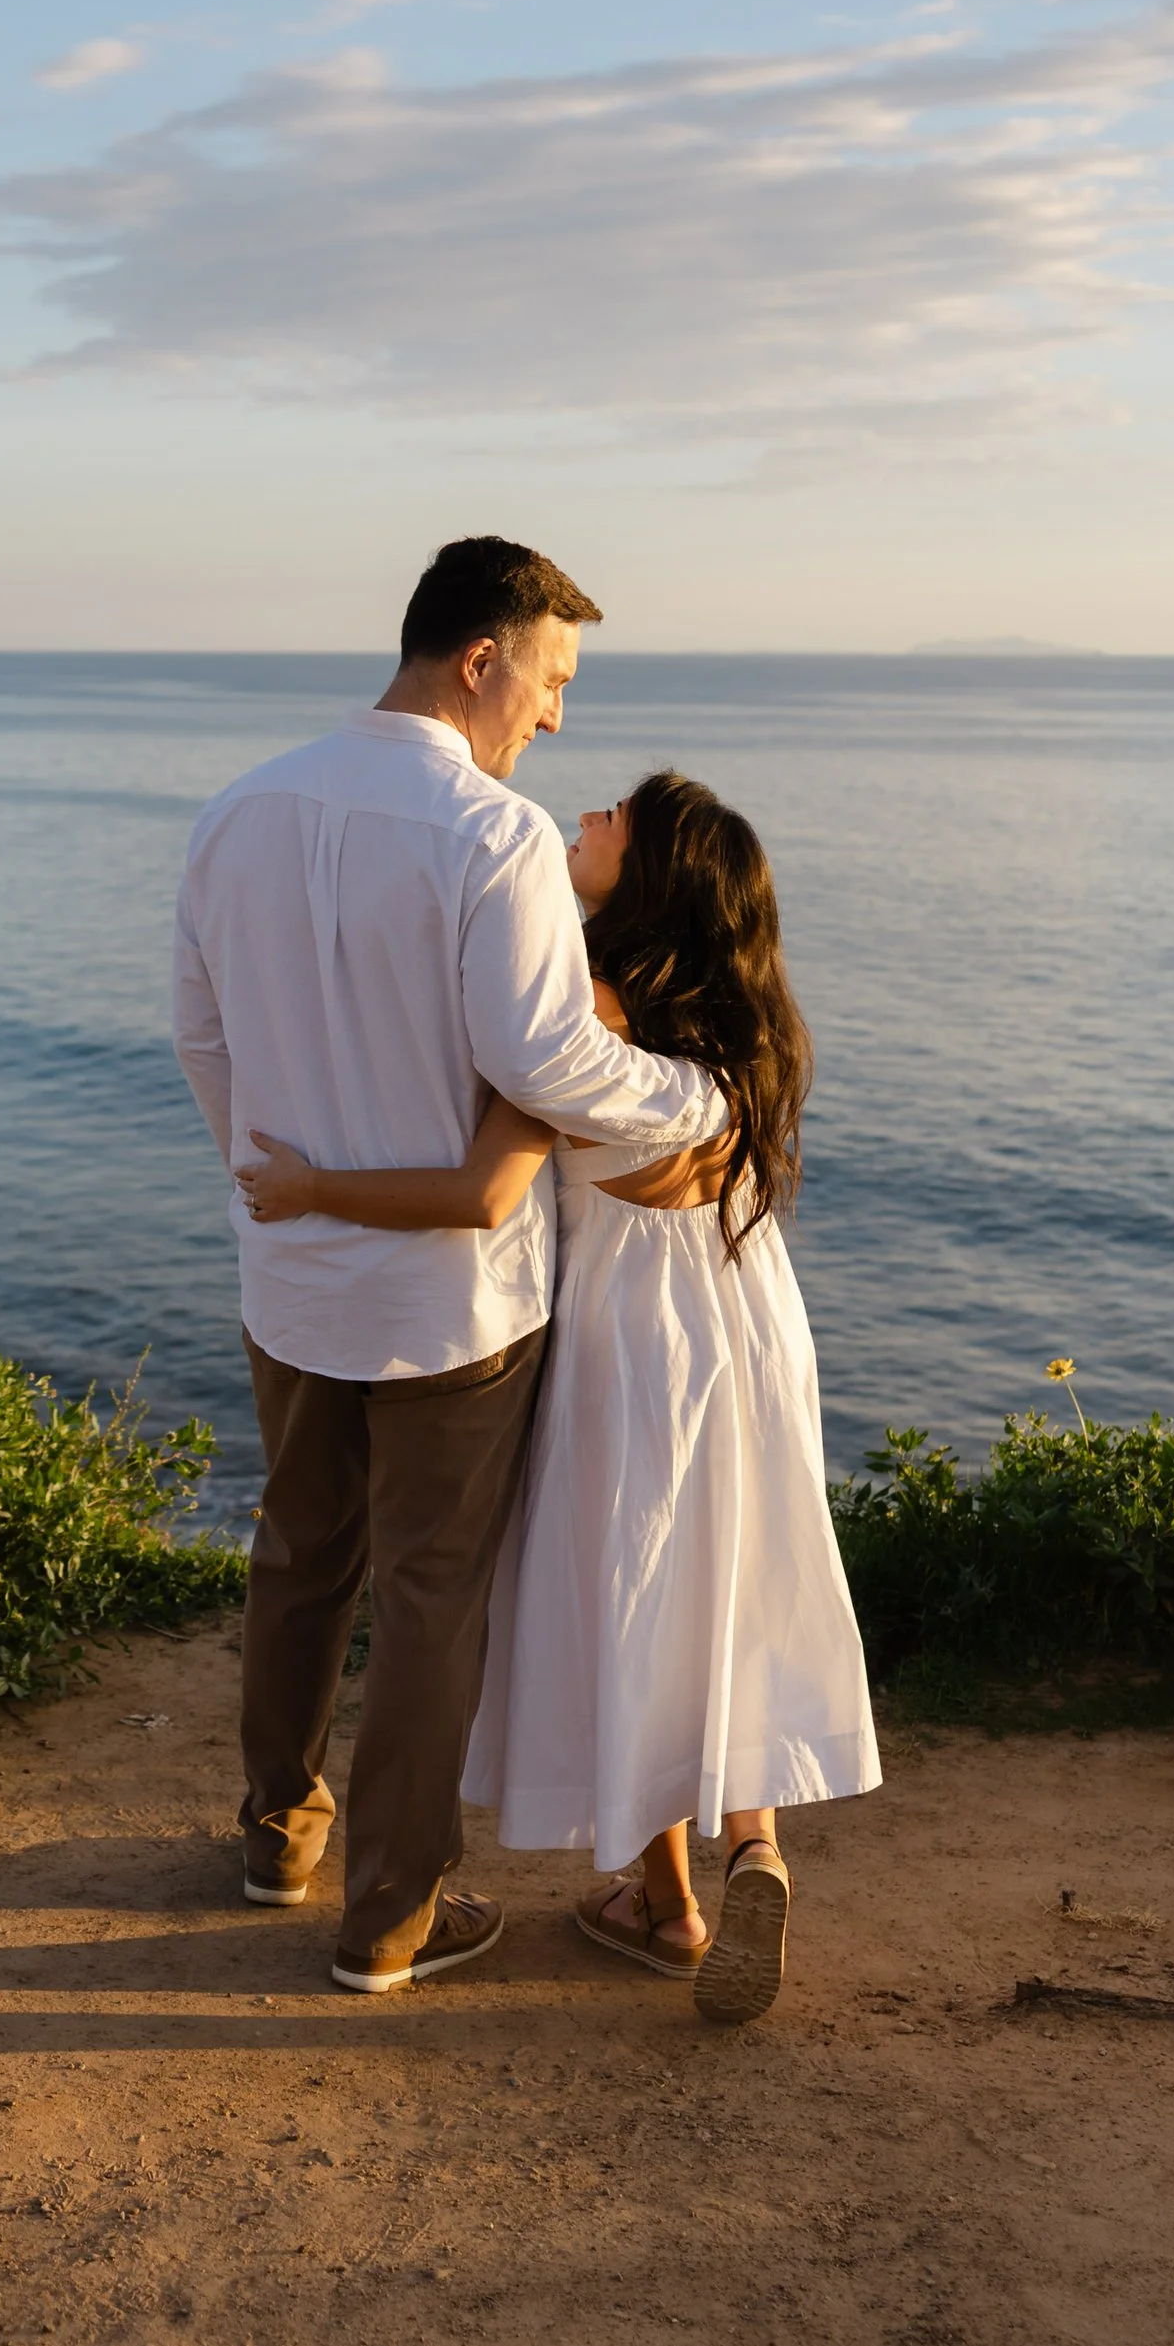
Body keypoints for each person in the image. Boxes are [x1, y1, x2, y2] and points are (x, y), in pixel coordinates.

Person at [171, 540, 727, 1997]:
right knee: (427, 1594)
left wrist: (274, 1189)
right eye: (550, 680)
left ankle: (275, 1838)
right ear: (480, 659)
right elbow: (541, 1057)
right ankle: (389, 1918)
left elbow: (203, 1039)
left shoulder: (236, 811)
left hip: (291, 1273)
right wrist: (703, 1103)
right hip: (455, 1300)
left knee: (298, 1556)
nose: (553, 717)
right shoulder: (499, 836)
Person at [238, 769, 879, 2026]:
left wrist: (313, 1188)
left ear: (648, 877)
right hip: (746, 1320)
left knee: (629, 1590)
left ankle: (667, 1902)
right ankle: (752, 1850)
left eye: (615, 819)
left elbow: (483, 1195)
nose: (585, 816)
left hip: (627, 1330)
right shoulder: (742, 1027)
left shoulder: (583, 1008)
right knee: (725, 1581)